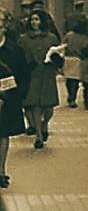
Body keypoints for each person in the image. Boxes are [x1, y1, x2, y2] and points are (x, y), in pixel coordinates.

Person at [19, 10, 62, 148]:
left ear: (42, 21)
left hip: (48, 74)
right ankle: (38, 136)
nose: (34, 22)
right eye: (32, 20)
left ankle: (44, 124)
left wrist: (55, 61)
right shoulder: (24, 39)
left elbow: (59, 55)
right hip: (32, 75)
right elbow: (20, 56)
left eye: (37, 19)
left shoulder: (51, 38)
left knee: (48, 106)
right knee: (35, 105)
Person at [0, 7, 30, 187]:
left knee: (3, 134)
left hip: (7, 99)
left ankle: (1, 171)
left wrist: (19, 95)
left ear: (4, 26)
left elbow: (24, 74)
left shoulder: (15, 50)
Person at [64, 19, 88, 107]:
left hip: (68, 58)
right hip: (78, 59)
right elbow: (86, 48)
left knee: (69, 79)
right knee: (75, 80)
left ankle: (70, 96)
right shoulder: (85, 37)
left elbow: (64, 44)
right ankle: (72, 97)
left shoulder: (69, 35)